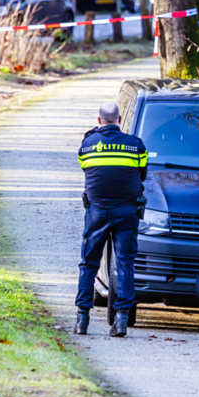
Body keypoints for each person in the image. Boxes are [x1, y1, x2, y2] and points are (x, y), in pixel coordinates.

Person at [74, 102, 147, 337]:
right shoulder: (136, 146)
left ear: (99, 121)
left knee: (89, 264)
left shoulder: (87, 145)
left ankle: (82, 320)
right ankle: (121, 320)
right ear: (120, 119)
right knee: (125, 264)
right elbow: (142, 173)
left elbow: (87, 169)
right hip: (126, 213)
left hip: (97, 212)